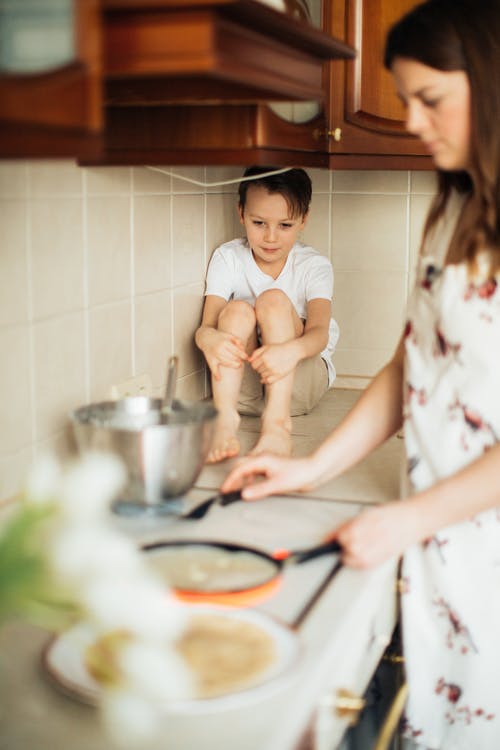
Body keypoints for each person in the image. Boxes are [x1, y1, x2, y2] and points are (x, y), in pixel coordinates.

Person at [221, 1, 500, 747]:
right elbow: (414, 362)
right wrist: (310, 465)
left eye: (429, 99)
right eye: (404, 100)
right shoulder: (456, 208)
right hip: (444, 537)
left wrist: (405, 519)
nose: (412, 121)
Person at [195, 166, 339, 463]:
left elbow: (319, 333)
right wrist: (208, 339)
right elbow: (206, 327)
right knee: (235, 311)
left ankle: (277, 424)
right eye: (259, 222)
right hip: (244, 393)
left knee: (272, 301)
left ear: (303, 220)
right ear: (241, 213)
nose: (271, 237)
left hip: (298, 385)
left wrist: (290, 351)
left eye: (285, 225)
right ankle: (224, 418)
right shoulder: (228, 257)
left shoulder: (314, 265)